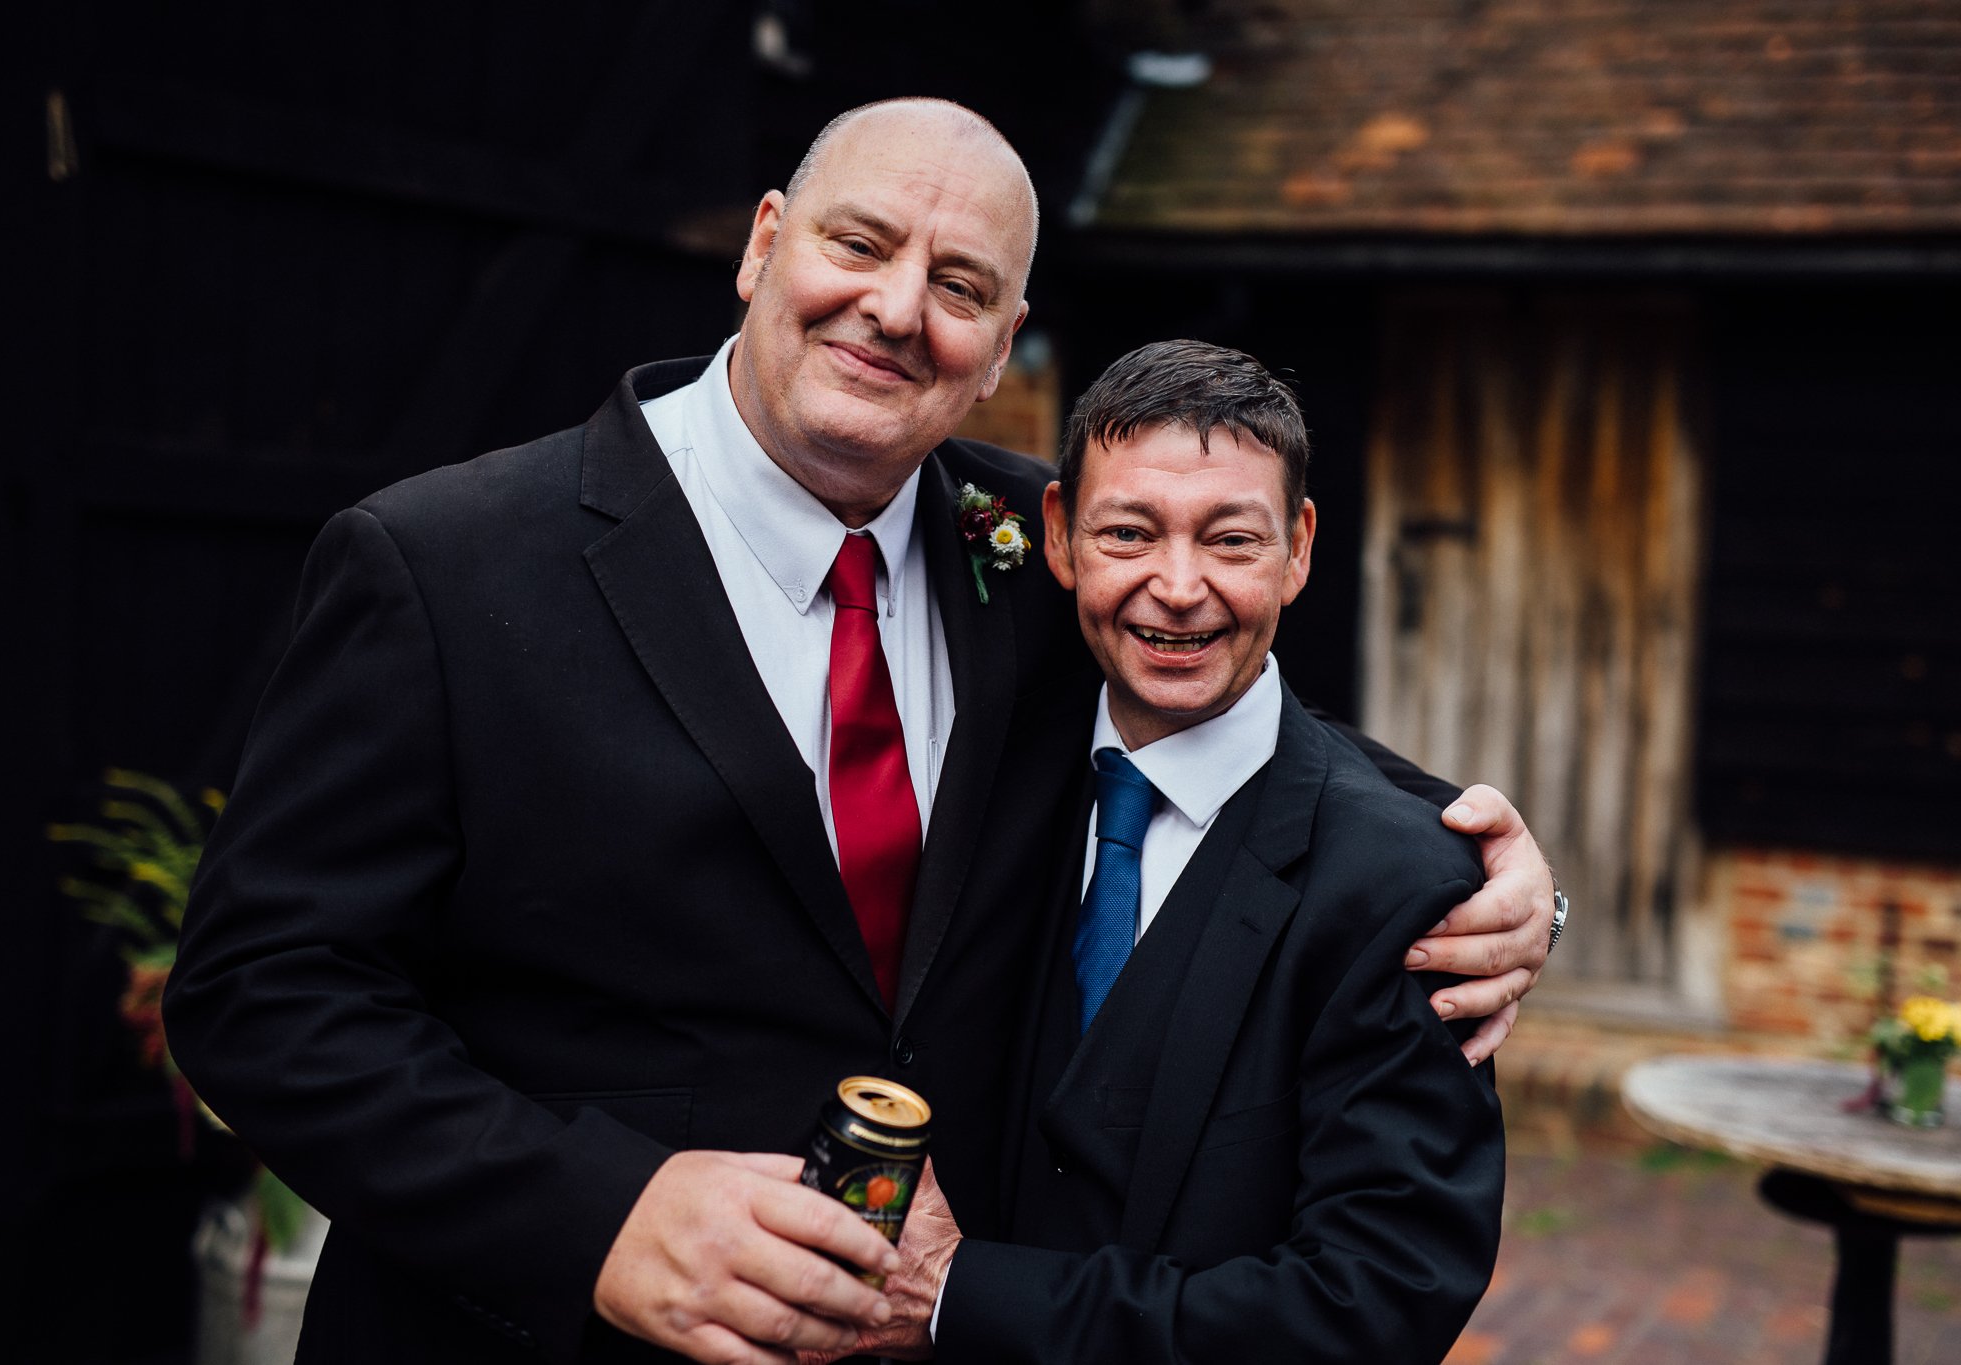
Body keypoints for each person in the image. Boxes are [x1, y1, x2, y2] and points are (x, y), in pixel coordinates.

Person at [162, 100, 1550, 1365]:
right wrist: (598, 1218)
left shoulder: (1035, 544)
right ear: (766, 245)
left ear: (1005, 341)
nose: (897, 310)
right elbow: (260, 994)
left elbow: (1223, 699)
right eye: (860, 244)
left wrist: (1491, 865)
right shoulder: (445, 562)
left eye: (959, 286)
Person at [844, 340, 1506, 1364]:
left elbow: (1370, 1304)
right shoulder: (987, 776)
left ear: (1297, 548)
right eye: (1129, 532)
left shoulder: (1401, 891)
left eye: (1230, 541)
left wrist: (955, 1296)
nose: (1177, 586)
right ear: (1060, 538)